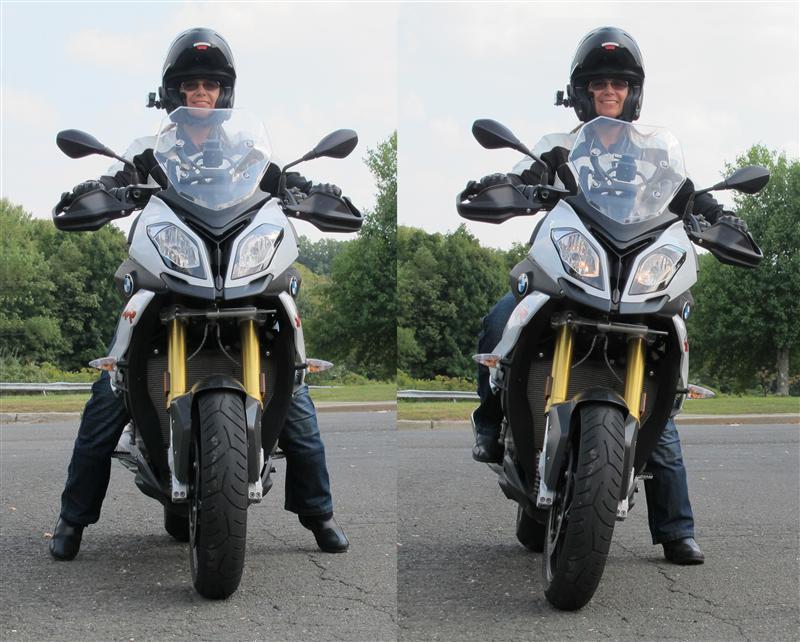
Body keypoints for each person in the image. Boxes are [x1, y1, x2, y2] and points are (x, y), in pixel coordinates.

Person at [50, 27, 348, 561]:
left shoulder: (246, 147)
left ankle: (319, 511)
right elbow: (118, 180)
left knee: (294, 387)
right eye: (191, 85)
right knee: (111, 387)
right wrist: (101, 191)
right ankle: (72, 520)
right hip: (169, 266)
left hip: (236, 267)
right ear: (175, 92)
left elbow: (274, 182)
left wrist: (307, 189)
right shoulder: (149, 148)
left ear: (224, 92)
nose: (201, 93)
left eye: (210, 84)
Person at [470, 26, 746, 565]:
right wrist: (501, 183)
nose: (609, 92)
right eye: (599, 83)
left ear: (633, 92)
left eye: (619, 83)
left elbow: (688, 199)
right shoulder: (559, 147)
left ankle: (675, 528)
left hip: (632, 274)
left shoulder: (657, 158)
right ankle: (488, 419)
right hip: (568, 268)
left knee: (655, 401)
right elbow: (526, 177)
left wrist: (720, 216)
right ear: (583, 92)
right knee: (499, 317)